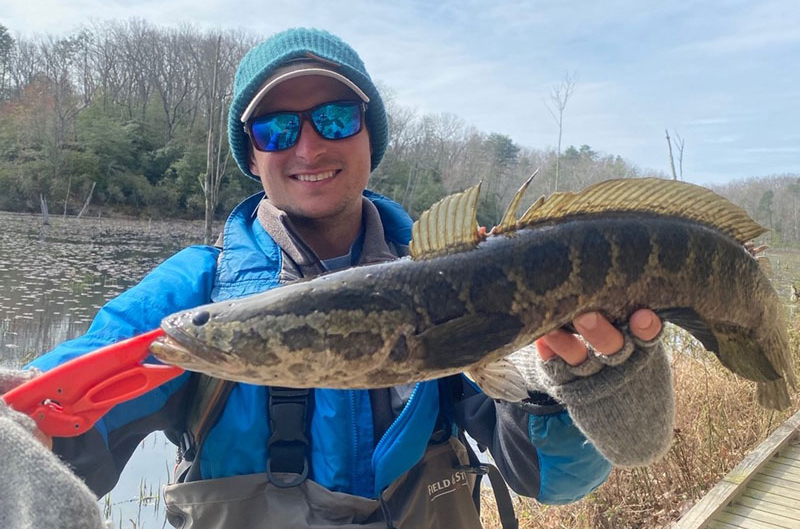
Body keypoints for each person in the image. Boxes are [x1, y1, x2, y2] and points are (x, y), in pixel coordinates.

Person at [0, 28, 673, 529]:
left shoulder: (459, 281)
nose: (309, 145)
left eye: (334, 117)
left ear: (369, 136)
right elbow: (72, 409)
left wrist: (585, 388)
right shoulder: (194, 293)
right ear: (251, 153)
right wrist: (22, 418)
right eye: (274, 126)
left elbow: (551, 480)